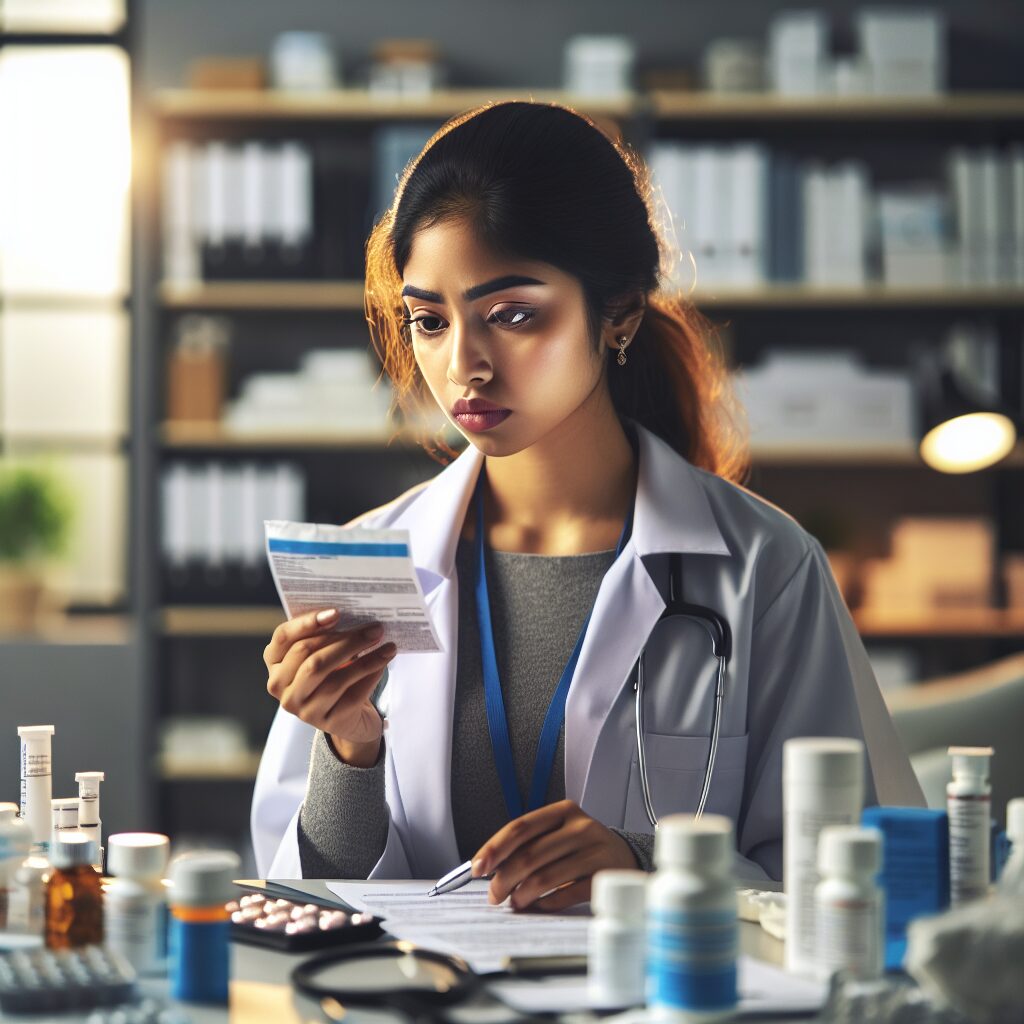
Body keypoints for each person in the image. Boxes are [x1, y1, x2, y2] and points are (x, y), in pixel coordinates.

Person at [251, 101, 923, 908]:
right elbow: (303, 897)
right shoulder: (372, 558)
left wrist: (648, 870)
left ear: (620, 315)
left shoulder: (765, 569)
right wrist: (349, 749)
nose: (464, 364)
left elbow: (858, 885)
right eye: (429, 321)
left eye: (513, 315)